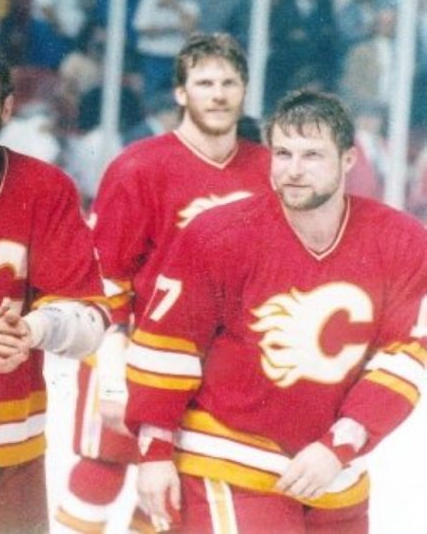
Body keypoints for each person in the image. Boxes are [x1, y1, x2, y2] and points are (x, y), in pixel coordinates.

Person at [127, 90, 427, 532]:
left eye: (312, 155)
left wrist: (338, 446)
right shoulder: (218, 234)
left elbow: (404, 355)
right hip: (228, 451)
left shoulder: (402, 240)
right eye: (282, 153)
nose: (293, 169)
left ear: (348, 160)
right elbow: (167, 343)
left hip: (331, 471)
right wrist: (154, 454)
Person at [56, 33, 271, 533]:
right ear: (180, 93)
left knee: (177, 482)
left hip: (219, 362)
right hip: (136, 349)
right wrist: (111, 377)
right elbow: (104, 281)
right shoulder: (139, 167)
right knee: (103, 466)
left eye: (229, 83)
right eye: (204, 83)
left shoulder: (266, 169)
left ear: (244, 91)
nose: (217, 94)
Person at [0, 41, 109, 533]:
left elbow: (90, 320)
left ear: (6, 108)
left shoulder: (44, 189)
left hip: (10, 445)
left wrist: (32, 328)